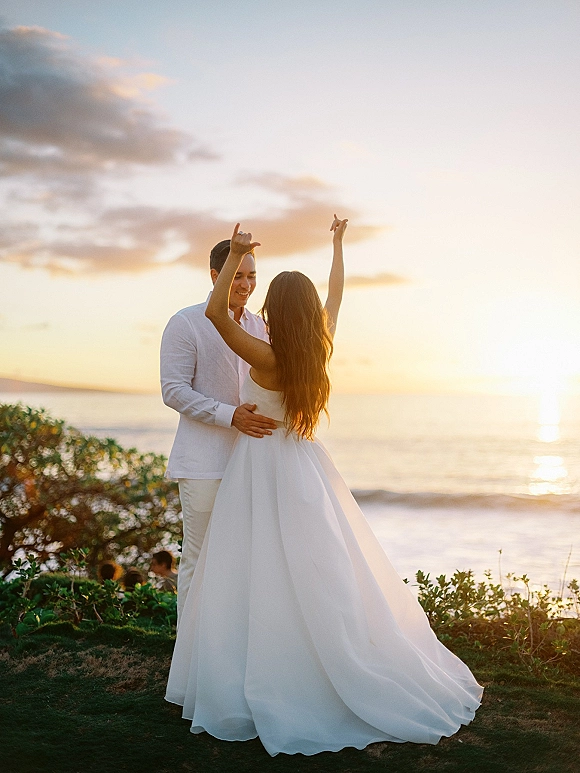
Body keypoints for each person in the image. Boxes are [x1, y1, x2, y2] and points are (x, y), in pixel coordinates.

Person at [165, 217, 483, 757]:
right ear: (311, 314)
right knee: (310, 567)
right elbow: (336, 294)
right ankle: (310, 652)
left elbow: (216, 313)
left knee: (246, 568)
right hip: (305, 466)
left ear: (275, 312)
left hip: (257, 467)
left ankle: (241, 665)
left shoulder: (265, 354)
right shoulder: (317, 349)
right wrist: (337, 245)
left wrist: (237, 254)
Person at [160, 238, 277, 623]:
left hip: (252, 459)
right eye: (237, 276)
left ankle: (226, 647)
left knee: (244, 558)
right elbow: (174, 391)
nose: (245, 285)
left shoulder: (261, 327)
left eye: (252, 276)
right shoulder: (185, 322)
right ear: (216, 275)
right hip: (204, 463)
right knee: (200, 555)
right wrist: (231, 416)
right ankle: (188, 654)